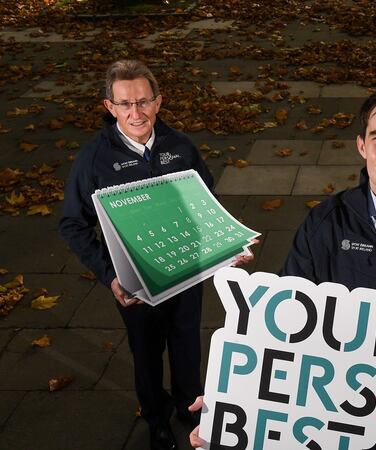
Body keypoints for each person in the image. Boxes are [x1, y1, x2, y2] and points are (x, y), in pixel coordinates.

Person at [189, 85, 376, 450]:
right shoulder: (324, 222)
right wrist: (240, 396)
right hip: (336, 409)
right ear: (362, 146)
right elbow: (285, 321)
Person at [59, 60, 223, 450]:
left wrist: (224, 248)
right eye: (125, 104)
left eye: (144, 101)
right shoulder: (94, 159)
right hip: (135, 281)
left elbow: (208, 203)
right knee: (147, 353)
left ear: (158, 102)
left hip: (187, 270)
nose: (136, 112)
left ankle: (190, 406)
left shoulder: (181, 146)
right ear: (109, 107)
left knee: (187, 342)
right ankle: (157, 420)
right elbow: (72, 224)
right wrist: (109, 274)